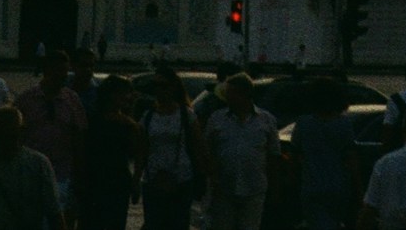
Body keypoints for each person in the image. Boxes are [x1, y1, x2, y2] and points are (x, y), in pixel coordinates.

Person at [0, 104, 66, 230]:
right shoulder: (38, 165)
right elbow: (55, 215)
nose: (7, 141)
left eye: (10, 135)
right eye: (3, 135)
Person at [202, 72, 281, 230]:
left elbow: (273, 155)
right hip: (223, 189)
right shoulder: (217, 119)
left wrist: (275, 187)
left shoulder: (267, 120)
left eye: (232, 93)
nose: (227, 97)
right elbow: (206, 150)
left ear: (245, 94)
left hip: (254, 188)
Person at [17, 55, 89, 210]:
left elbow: (79, 135)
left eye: (66, 71)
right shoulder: (26, 100)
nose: (64, 75)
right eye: (60, 71)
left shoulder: (72, 100)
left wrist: (79, 171)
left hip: (62, 172)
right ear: (46, 71)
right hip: (31, 172)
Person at [292, 78, 365, 230]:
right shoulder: (344, 125)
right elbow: (352, 159)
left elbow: (296, 156)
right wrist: (359, 189)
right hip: (339, 187)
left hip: (312, 186)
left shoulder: (303, 124)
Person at [74, 77, 143, 230]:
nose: (128, 97)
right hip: (97, 181)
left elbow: (139, 155)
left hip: (111, 182)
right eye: (124, 93)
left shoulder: (127, 124)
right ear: (111, 95)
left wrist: (136, 180)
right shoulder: (94, 120)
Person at [138, 67, 202, 230]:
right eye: (156, 86)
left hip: (181, 180)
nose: (160, 90)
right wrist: (136, 180)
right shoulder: (148, 116)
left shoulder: (186, 115)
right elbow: (142, 150)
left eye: (164, 85)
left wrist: (204, 176)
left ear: (173, 87)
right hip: (153, 180)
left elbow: (197, 147)